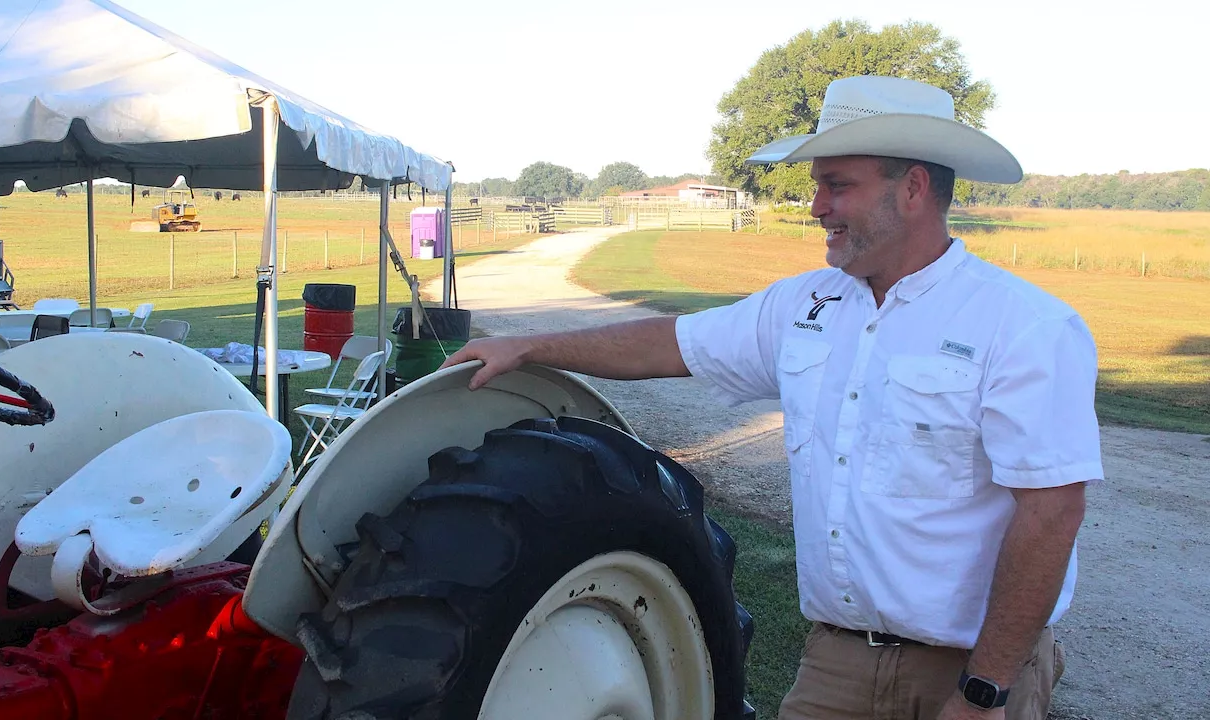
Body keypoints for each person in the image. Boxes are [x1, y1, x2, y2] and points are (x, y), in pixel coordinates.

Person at [441, 75, 1101, 720]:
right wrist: (529, 348)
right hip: (837, 660)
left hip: (967, 668)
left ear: (914, 190)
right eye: (818, 186)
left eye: (838, 185)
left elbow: (1050, 515)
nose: (817, 206)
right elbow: (672, 344)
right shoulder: (807, 305)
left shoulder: (1023, 327)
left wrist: (985, 689)